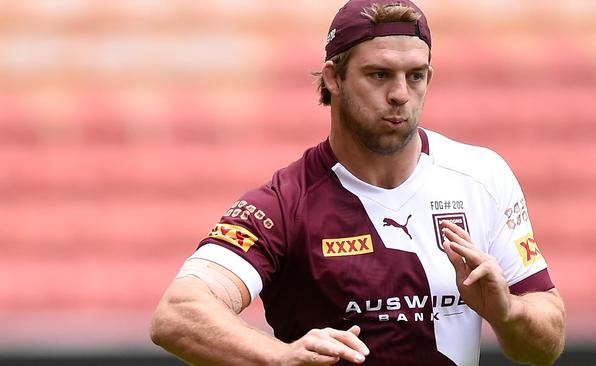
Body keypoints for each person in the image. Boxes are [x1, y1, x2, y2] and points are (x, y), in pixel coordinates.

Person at [150, 0, 566, 365]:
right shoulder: (285, 202)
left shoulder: (482, 177)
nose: (401, 94)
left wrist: (507, 312)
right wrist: (280, 357)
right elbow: (177, 314)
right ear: (333, 78)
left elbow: (547, 343)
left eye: (416, 76)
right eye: (380, 75)